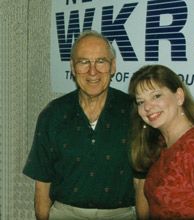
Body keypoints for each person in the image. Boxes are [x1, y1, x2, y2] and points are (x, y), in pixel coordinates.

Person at [23, 30, 138, 220]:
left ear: (113, 66)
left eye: (101, 61)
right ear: (73, 67)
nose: (93, 71)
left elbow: (143, 184)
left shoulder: (134, 112)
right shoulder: (52, 114)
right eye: (84, 62)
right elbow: (42, 185)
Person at [128, 64, 194, 219]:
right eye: (140, 101)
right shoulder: (160, 144)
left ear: (179, 96)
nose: (147, 107)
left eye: (156, 96)